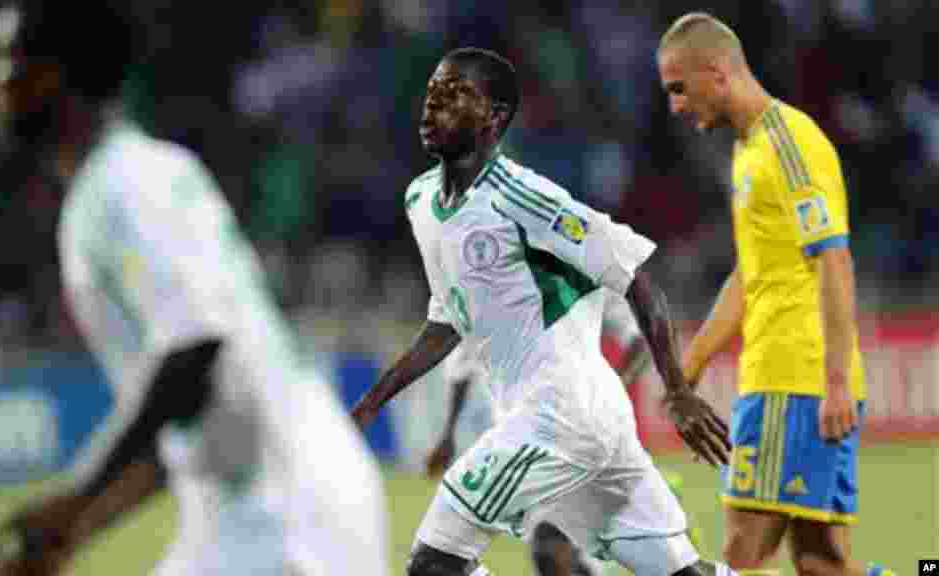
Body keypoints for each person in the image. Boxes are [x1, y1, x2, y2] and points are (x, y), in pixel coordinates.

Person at [0, 2, 388, 575]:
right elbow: (173, 428)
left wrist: (73, 498)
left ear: (59, 72)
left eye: (8, 59)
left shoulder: (123, 183)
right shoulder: (122, 181)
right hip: (260, 504)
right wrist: (72, 530)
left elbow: (194, 351)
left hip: (278, 508)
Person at [351, 46, 734, 576]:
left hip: (559, 414)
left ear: (496, 118)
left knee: (435, 563)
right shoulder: (421, 201)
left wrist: (678, 391)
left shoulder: (521, 196)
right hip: (578, 420)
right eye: (434, 90)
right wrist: (372, 400)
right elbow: (447, 322)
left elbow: (636, 277)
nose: (434, 102)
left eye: (456, 93)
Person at [656, 12, 894, 576]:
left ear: (716, 73)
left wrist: (835, 381)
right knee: (819, 564)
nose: (675, 106)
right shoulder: (749, 150)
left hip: (795, 381)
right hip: (786, 377)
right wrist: (692, 360)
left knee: (741, 556)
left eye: (678, 88)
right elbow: (753, 273)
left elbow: (834, 260)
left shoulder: (789, 144)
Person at [424, 294, 701, 576]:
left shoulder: (584, 269)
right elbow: (461, 366)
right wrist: (447, 434)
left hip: (576, 434)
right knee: (554, 555)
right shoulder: (485, 288)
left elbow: (639, 337)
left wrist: (602, 399)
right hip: (520, 447)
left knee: (552, 545)